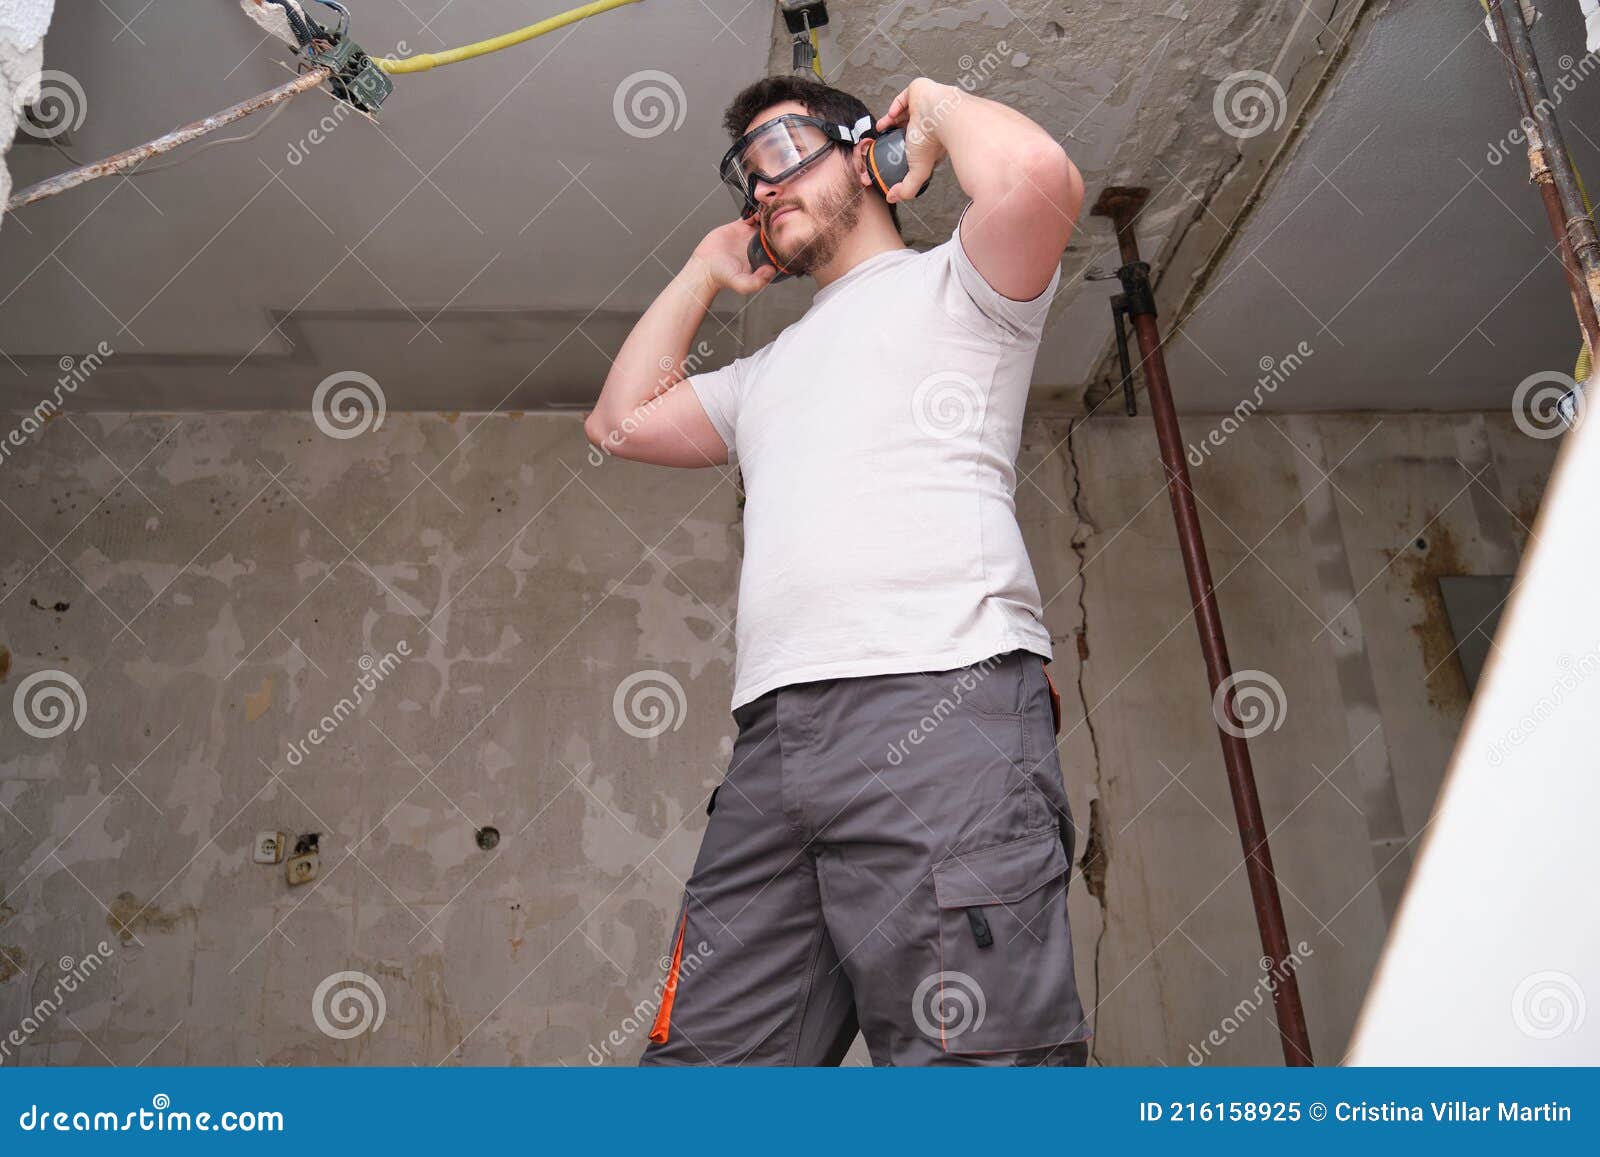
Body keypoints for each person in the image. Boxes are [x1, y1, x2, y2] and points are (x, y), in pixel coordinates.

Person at [585, 73, 1091, 1066]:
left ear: (868, 150)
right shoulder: (763, 375)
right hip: (775, 746)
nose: (761, 190)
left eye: (780, 154)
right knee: (702, 1070)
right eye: (745, 180)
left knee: (975, 1067)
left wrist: (936, 110)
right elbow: (619, 421)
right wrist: (700, 269)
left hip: (941, 704)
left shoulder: (960, 287)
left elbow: (1036, 176)